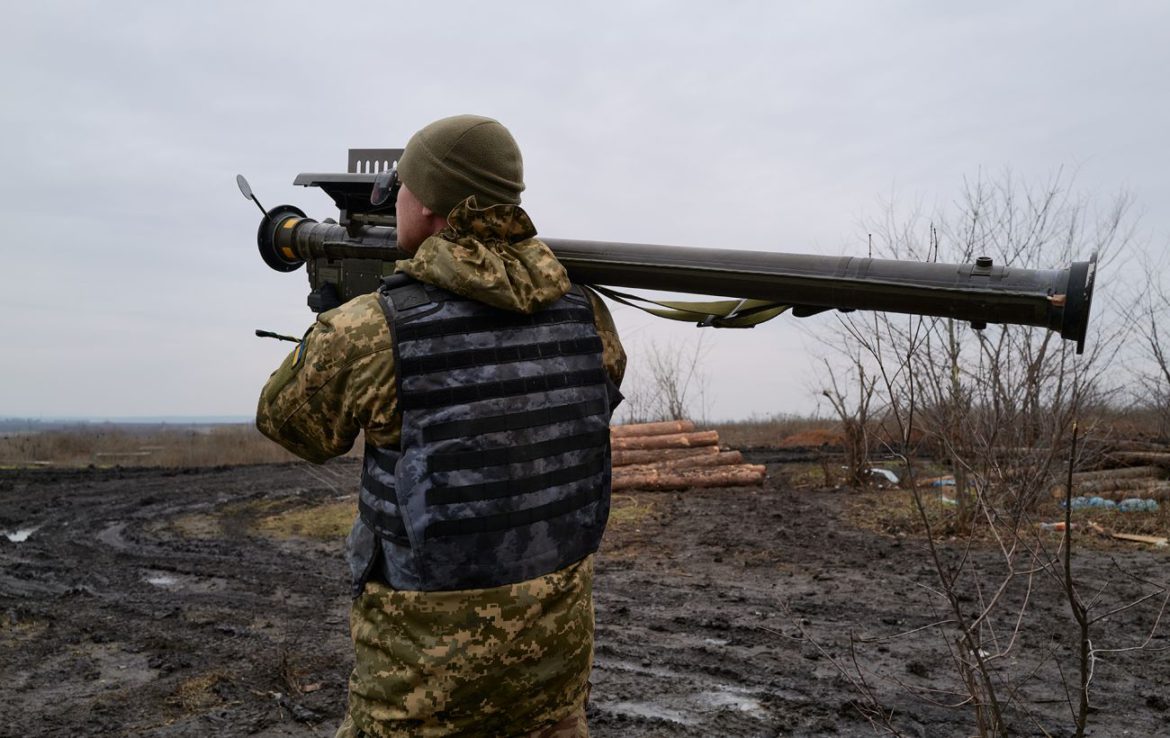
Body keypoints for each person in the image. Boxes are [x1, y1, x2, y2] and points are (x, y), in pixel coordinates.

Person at [257, 114, 625, 738]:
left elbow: (289, 423)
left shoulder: (370, 331)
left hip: (417, 701)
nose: (394, 198)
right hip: (552, 684)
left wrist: (336, 319)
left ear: (426, 203)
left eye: (400, 185)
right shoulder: (588, 313)